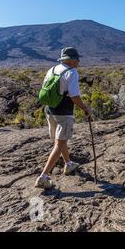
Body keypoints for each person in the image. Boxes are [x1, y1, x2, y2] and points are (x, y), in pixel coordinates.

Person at [35, 47, 92, 189]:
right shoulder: (71, 73)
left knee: (60, 140)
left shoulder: (52, 69)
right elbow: (74, 96)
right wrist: (85, 108)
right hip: (64, 112)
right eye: (77, 59)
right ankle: (43, 177)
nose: (78, 62)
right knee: (59, 144)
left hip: (50, 110)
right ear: (72, 60)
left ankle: (68, 164)